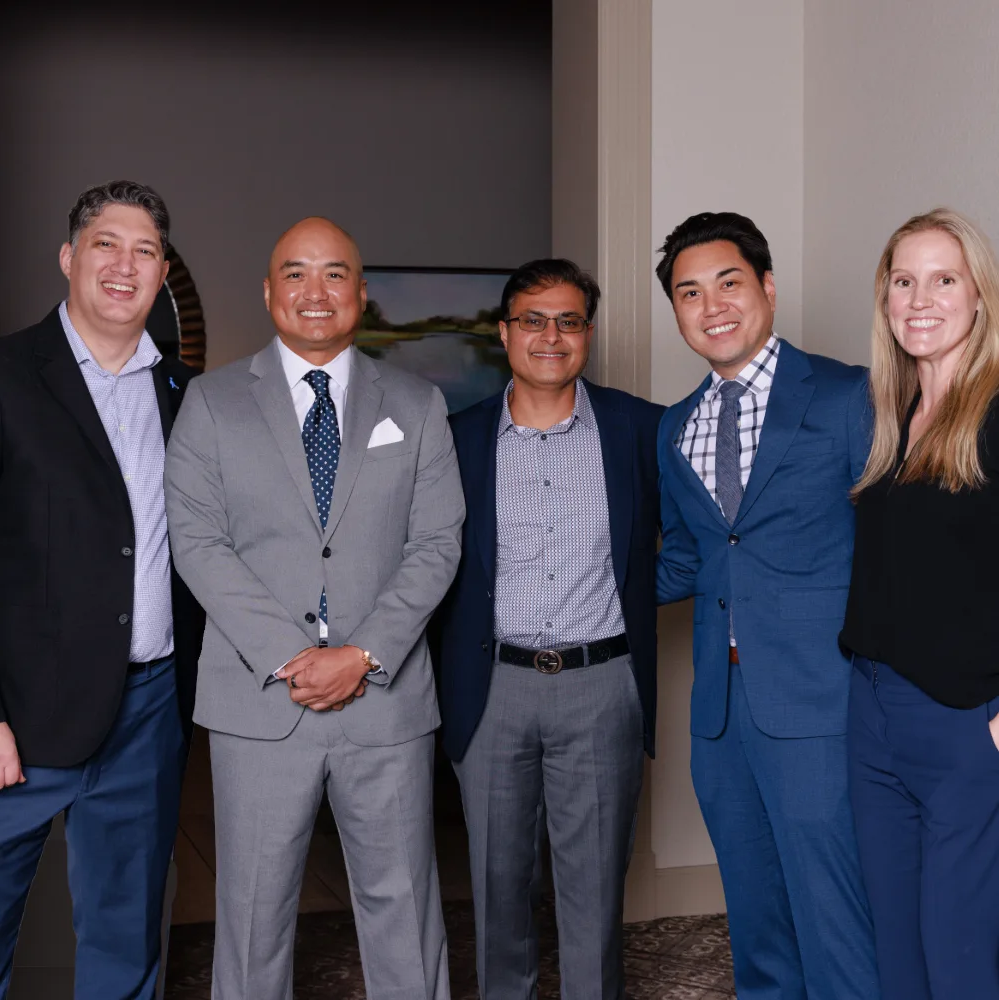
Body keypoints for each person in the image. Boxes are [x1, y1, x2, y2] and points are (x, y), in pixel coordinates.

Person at [164, 216, 464, 1000]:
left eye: (335, 274)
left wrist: (360, 655)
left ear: (361, 294)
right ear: (268, 292)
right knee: (253, 918)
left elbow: (436, 543)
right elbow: (197, 543)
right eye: (295, 273)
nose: (316, 291)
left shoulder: (419, 403)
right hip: (260, 702)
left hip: (386, 704)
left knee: (403, 911)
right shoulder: (212, 402)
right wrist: (295, 658)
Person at [654, 212, 878, 1000]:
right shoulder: (675, 428)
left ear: (768, 289)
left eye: (728, 283)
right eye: (689, 292)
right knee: (755, 920)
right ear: (675, 311)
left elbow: (890, 543)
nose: (711, 305)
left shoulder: (848, 393)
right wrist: (573, 588)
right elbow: (690, 556)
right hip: (719, 710)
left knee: (835, 917)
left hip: (822, 697)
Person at [434, 259, 665, 999]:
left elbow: (698, 538)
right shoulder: (455, 439)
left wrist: (632, 595)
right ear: (505, 333)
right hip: (492, 687)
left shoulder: (639, 428)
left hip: (601, 688)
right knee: (497, 887)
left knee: (595, 893)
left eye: (568, 321)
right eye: (533, 319)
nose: (550, 336)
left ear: (587, 335)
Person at [0, 180, 203, 999]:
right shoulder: (7, 375)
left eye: (144, 250)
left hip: (147, 711)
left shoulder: (189, 395)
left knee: (126, 944)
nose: (124, 265)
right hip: (18, 721)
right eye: (105, 245)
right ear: (68, 258)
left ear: (161, 272)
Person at [841, 208, 999, 1000]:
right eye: (904, 280)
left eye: (944, 279)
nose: (920, 298)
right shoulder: (890, 417)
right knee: (896, 953)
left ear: (981, 298)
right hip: (871, 716)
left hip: (964, 723)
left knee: (959, 956)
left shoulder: (996, 411)